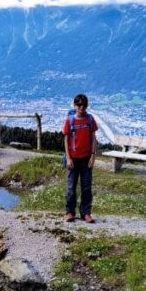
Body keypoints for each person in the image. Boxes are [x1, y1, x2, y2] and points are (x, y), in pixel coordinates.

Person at [63, 93, 97, 223]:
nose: (81, 107)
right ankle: (69, 212)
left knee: (86, 187)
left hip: (86, 158)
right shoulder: (70, 120)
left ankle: (86, 213)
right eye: (79, 105)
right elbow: (66, 139)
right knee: (71, 187)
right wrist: (68, 157)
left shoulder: (90, 120)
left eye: (84, 105)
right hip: (73, 159)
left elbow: (93, 137)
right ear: (74, 105)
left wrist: (93, 155)